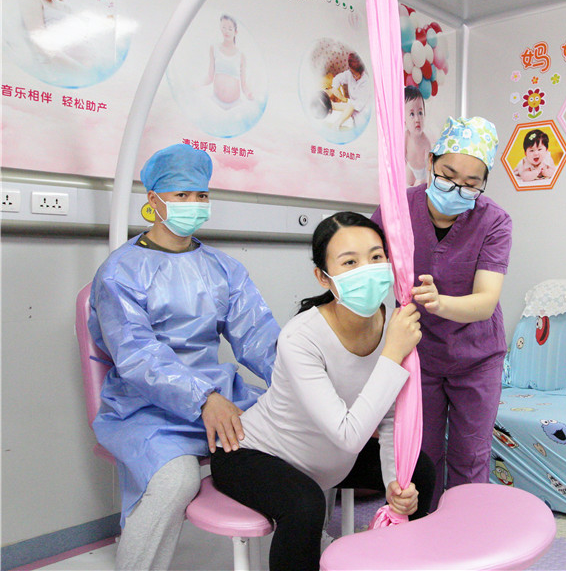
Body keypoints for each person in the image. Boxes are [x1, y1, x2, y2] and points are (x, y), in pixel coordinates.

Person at [89, 143, 280, 570]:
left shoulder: (223, 269)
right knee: (176, 480)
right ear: (153, 199)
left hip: (222, 398)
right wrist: (203, 398)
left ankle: (308, 550)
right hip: (146, 407)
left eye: (201, 195)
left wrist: (302, 377)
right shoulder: (120, 272)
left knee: (296, 442)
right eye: (181, 195)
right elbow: (138, 355)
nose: (193, 204)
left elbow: (258, 335)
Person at [211, 212, 435, 571]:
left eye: (376, 257)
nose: (367, 269)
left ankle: (403, 560)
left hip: (330, 459)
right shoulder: (301, 338)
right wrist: (392, 354)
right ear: (323, 277)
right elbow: (348, 435)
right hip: (254, 453)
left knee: (418, 470)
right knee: (305, 505)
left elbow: (391, 417)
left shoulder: (393, 323)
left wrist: (396, 483)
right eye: (350, 262)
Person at [372, 117, 512, 510]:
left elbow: (485, 301)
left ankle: (465, 531)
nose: (456, 188)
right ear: (431, 161)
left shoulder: (494, 221)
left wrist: (439, 302)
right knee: (422, 454)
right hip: (420, 354)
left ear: (484, 183)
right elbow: (370, 267)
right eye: (448, 175)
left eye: (470, 183)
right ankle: (425, 531)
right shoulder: (396, 209)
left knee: (470, 456)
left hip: (476, 356)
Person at [202, 14, 253, 110]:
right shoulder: (214, 48)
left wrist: (249, 94)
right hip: (215, 102)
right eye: (224, 28)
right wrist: (197, 85)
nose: (226, 31)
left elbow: (244, 85)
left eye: (230, 29)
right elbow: (209, 77)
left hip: (235, 105)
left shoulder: (241, 56)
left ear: (235, 32)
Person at [330, 52, 370, 129]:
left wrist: (343, 100)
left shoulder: (366, 82)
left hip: (361, 113)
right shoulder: (349, 74)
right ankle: (336, 123)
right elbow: (337, 79)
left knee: (349, 108)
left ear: (361, 71)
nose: (354, 77)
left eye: (356, 74)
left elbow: (357, 105)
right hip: (351, 107)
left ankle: (336, 123)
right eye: (352, 73)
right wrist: (334, 88)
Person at [405, 86, 433, 186]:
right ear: (404, 120)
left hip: (423, 171)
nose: (417, 119)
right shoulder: (406, 137)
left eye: (420, 113)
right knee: (408, 183)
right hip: (411, 167)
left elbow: (429, 164)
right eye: (412, 114)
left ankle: (421, 183)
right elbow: (402, 156)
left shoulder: (426, 141)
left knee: (422, 185)